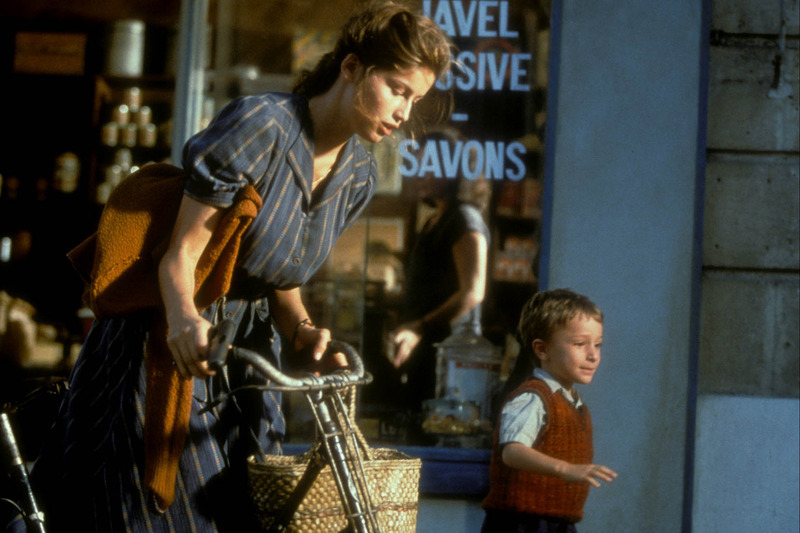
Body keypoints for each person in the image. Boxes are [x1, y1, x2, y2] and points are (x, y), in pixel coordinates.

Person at [13, 3, 451, 532]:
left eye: (416, 99)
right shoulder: (262, 126)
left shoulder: (357, 173)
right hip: (171, 332)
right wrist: (184, 323)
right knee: (156, 512)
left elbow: (280, 279)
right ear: (352, 67)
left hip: (246, 359)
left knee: (244, 509)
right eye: (398, 89)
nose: (405, 112)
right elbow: (179, 255)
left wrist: (305, 332)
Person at [481, 288, 617, 532]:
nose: (593, 355)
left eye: (597, 344)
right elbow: (512, 451)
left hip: (559, 521)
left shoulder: (574, 403)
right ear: (542, 350)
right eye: (579, 344)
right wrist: (564, 469)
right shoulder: (533, 398)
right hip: (521, 523)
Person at [387, 126, 490, 415]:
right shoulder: (435, 219)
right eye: (417, 162)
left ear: (454, 168)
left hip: (447, 356)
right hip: (425, 349)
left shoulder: (464, 218)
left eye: (428, 164)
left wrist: (419, 327)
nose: (419, 172)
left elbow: (473, 293)